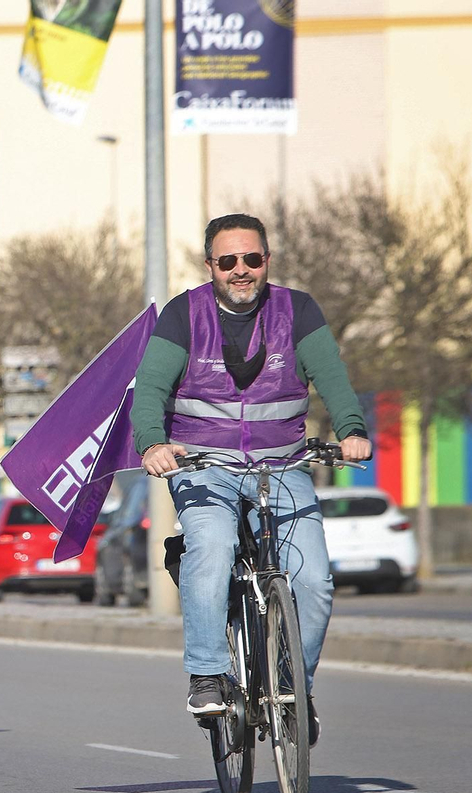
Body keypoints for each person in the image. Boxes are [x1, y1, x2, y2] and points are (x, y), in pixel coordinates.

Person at [133, 213, 372, 743]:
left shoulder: (299, 310)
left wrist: (352, 429)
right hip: (204, 469)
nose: (241, 270)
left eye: (252, 259)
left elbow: (332, 377)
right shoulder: (183, 314)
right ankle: (209, 673)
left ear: (267, 261)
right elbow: (149, 388)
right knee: (212, 549)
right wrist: (153, 443)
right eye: (228, 261)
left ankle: (294, 690)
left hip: (283, 465)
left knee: (313, 581)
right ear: (210, 266)